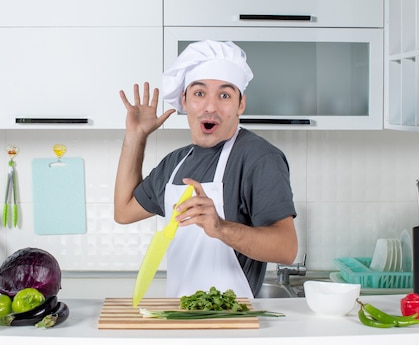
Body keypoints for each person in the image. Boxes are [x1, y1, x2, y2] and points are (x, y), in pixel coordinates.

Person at [114, 40, 297, 298]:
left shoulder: (258, 158)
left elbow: (287, 249)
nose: (211, 106)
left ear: (240, 104)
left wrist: (220, 228)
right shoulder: (174, 163)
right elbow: (124, 211)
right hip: (182, 317)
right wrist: (136, 136)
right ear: (184, 100)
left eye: (224, 95)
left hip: (231, 325)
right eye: (200, 93)